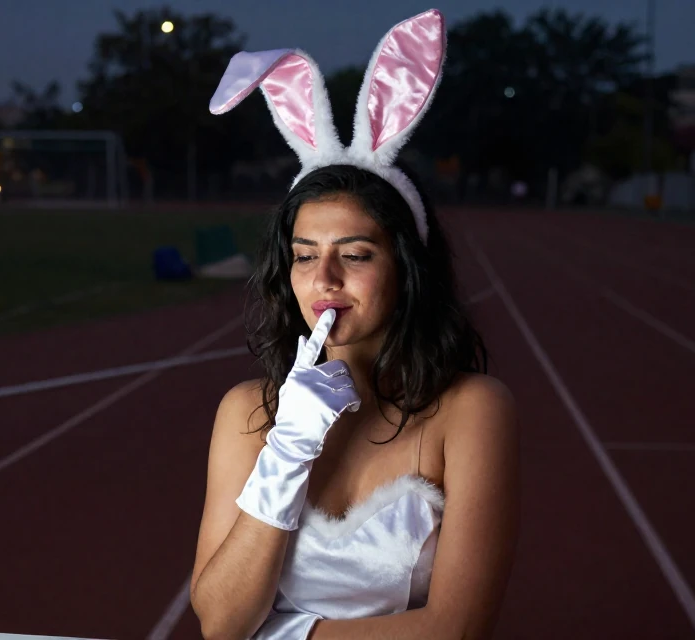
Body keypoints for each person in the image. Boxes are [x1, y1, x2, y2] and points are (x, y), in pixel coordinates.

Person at [190, 9, 519, 640]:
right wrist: (287, 450)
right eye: (305, 255)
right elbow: (221, 622)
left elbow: (456, 628)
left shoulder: (472, 410)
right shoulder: (246, 414)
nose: (325, 279)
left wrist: (283, 635)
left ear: (407, 267)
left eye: (357, 254)